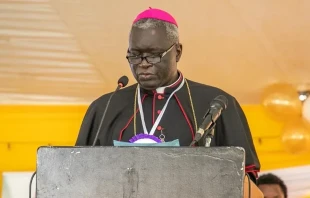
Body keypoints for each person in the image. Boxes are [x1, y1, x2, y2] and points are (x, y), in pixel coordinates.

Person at [76, 7, 260, 182]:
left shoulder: (217, 104)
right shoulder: (104, 108)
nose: (143, 63)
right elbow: (78, 175)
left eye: (154, 55)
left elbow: (244, 184)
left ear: (177, 52)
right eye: (135, 55)